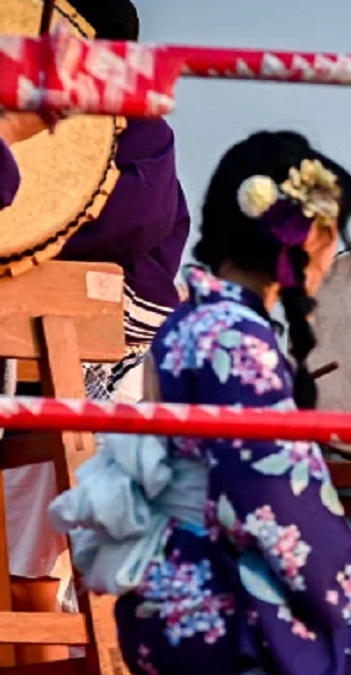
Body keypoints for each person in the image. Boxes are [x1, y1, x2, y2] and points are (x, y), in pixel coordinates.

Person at [48, 130, 351, 675]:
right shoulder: (235, 339)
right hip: (226, 609)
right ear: (302, 237)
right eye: (331, 233)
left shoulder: (186, 323)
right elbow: (272, 497)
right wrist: (334, 592)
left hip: (164, 599)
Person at [0, 0, 191, 656]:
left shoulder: (138, 126)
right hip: (26, 347)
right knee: (30, 570)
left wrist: (43, 222)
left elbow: (137, 220)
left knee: (70, 563)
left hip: (83, 345)